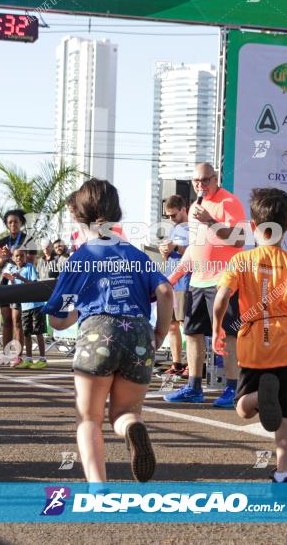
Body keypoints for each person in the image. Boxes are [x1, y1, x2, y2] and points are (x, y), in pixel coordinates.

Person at [43, 179, 173, 483]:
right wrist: (159, 335)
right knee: (124, 413)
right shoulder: (137, 255)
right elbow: (165, 291)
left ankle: (98, 489)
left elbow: (57, 319)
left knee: (88, 418)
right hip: (139, 333)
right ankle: (131, 428)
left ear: (77, 217)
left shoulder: (80, 258)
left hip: (96, 332)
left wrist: (73, 314)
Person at [213, 188, 287, 483]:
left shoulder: (241, 262)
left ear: (253, 226)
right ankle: (283, 472)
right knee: (286, 417)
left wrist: (216, 328)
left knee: (242, 409)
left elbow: (221, 297)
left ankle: (255, 395)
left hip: (254, 342)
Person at [164, 162, 247, 408]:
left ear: (215, 178)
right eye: (196, 182)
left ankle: (233, 390)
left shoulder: (229, 202)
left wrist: (211, 221)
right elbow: (194, 248)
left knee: (228, 335)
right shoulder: (194, 208)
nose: (201, 186)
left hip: (224, 280)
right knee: (192, 333)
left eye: (205, 181)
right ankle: (193, 387)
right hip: (197, 280)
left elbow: (240, 239)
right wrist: (173, 278)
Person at [158, 195, 190, 377]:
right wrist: (165, 252)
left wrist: (175, 248)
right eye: (168, 216)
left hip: (186, 281)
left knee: (187, 325)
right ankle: (177, 363)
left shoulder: (194, 227)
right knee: (171, 325)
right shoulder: (172, 230)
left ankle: (192, 365)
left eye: (174, 215)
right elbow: (169, 256)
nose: (171, 219)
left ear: (184, 210)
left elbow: (194, 252)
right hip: (171, 281)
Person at [0, 210, 31, 352]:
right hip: (5, 283)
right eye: (10, 222)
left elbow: (31, 263)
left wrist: (12, 258)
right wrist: (3, 259)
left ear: (21, 223)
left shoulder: (28, 240)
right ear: (7, 225)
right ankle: (6, 353)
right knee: (7, 320)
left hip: (20, 284)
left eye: (16, 221)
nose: (13, 224)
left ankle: (18, 354)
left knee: (18, 321)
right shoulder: (2, 242)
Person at [4, 249, 46, 369]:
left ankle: (42, 358)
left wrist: (21, 278)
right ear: (13, 258)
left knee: (38, 332)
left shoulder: (30, 267)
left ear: (25, 257)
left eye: (21, 256)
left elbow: (33, 284)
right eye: (16, 256)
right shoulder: (12, 270)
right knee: (26, 333)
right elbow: (11, 288)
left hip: (36, 305)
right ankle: (28, 358)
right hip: (25, 306)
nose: (19, 258)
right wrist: (12, 280)